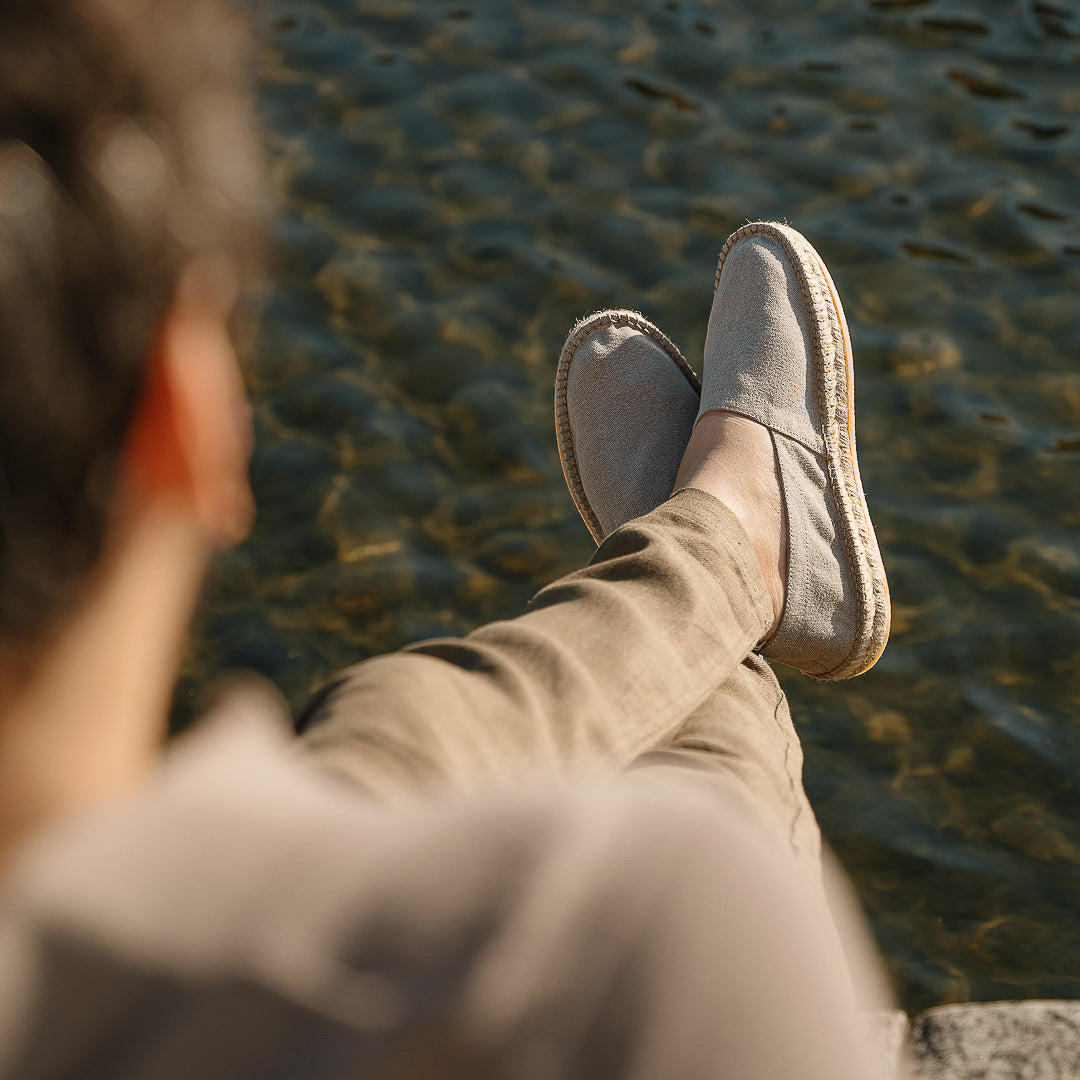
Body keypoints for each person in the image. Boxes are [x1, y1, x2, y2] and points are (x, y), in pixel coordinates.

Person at [0, 0, 896, 1077]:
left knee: (391, 729)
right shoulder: (620, 963)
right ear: (185, 416)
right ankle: (725, 544)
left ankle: (723, 546)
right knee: (452, 765)